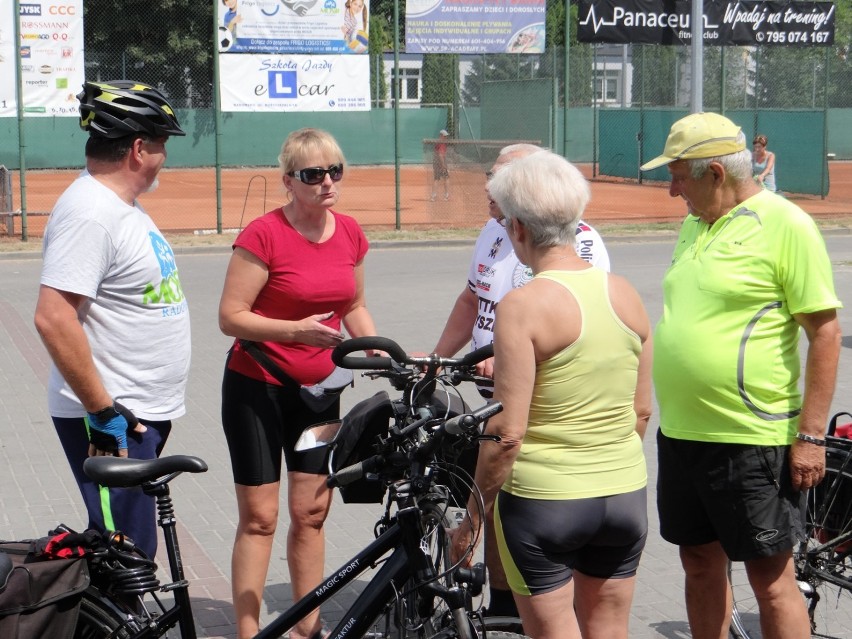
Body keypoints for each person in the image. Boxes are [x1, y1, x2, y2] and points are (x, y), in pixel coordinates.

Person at [640, 112, 842, 639]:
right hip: (683, 435)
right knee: (699, 564)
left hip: (751, 439)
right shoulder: (692, 224)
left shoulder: (786, 224)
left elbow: (823, 332)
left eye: (678, 175)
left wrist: (811, 436)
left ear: (715, 174)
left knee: (772, 582)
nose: (671, 189)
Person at [450, 150, 653, 639]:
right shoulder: (623, 291)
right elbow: (642, 410)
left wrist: (472, 522)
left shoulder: (523, 307)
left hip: (547, 502)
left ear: (517, 228)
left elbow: (507, 434)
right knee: (608, 628)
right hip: (624, 496)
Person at [432, 143, 610, 619]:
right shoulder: (492, 232)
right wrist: (435, 360)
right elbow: (472, 301)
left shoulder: (580, 241)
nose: (488, 186)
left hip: (544, 409)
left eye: (499, 177)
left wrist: (510, 363)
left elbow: (578, 324)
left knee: (512, 510)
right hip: (492, 398)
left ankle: (526, 607)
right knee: (492, 503)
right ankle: (501, 604)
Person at [218, 128, 379, 639]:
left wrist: (372, 343)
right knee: (260, 518)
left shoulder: (350, 232)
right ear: (289, 181)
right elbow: (230, 317)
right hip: (257, 388)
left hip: (319, 395)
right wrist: (294, 331)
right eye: (313, 174)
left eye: (336, 171)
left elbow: (352, 304)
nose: (327, 182)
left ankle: (307, 626)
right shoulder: (263, 235)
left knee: (310, 513)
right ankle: (249, 631)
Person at [33, 80, 190, 561]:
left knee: (130, 553)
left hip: (137, 413)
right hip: (113, 421)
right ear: (139, 149)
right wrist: (102, 414)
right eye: (161, 144)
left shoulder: (119, 207)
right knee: (123, 557)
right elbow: (53, 317)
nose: (165, 156)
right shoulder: (91, 212)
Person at [431, 129, 450, 201]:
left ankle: (433, 196)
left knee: (436, 179)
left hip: (435, 163)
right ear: (441, 135)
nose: (446, 137)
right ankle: (446, 195)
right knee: (446, 178)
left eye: (446, 136)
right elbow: (440, 155)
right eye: (445, 136)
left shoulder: (438, 142)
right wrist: (443, 166)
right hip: (441, 163)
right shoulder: (442, 143)